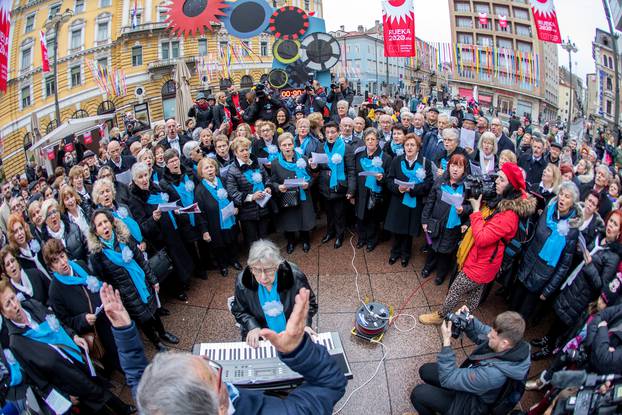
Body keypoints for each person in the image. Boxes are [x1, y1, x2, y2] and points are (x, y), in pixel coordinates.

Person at [137, 286, 345, 414]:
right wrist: (297, 350)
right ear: (220, 408)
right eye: (211, 374)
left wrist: (125, 333)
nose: (205, 358)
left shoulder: (156, 405)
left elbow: (136, 381)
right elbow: (331, 383)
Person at [419, 162, 537, 324]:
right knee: (475, 293)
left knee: (455, 290)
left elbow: (482, 238)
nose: (496, 182)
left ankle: (440, 316)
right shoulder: (503, 202)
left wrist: (475, 210)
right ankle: (465, 319)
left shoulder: (509, 215)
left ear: (511, 186)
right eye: (497, 178)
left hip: (482, 262)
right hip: (487, 260)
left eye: (501, 180)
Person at [0, 280, 134, 414]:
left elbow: (57, 322)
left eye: (13, 298)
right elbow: (38, 381)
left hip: (78, 359)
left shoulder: (32, 305)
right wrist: (64, 396)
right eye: (8, 304)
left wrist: (73, 336)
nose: (15, 305)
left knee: (101, 387)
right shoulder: (16, 344)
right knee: (98, 407)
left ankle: (124, 409)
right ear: (4, 314)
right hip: (69, 382)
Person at [531, 210, 622, 359]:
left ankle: (549, 349)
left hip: (582, 295)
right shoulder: (599, 237)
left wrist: (590, 265)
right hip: (574, 282)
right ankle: (546, 340)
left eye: (615, 224)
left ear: (619, 232)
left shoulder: (613, 257)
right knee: (558, 317)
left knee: (564, 323)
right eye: (610, 221)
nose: (610, 226)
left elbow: (602, 285)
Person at [87, 209, 178, 352]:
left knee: (154, 309)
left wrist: (153, 280)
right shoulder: (97, 256)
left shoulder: (124, 238)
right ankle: (156, 343)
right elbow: (104, 279)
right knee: (144, 319)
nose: (104, 226)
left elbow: (141, 260)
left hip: (141, 283)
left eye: (105, 222)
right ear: (95, 231)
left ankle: (163, 333)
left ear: (111, 223)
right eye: (99, 225)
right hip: (126, 294)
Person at [411, 308, 530, 415]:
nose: (488, 335)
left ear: (504, 343)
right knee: (425, 370)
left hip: (469, 406)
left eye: (492, 336)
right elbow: (483, 332)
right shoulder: (513, 344)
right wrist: (468, 320)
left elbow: (448, 378)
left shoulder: (493, 375)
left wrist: (446, 342)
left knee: (418, 394)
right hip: (473, 386)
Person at [43, 239, 121, 372]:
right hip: (97, 330)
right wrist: (83, 319)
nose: (62, 263)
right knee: (117, 359)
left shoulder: (80, 265)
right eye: (56, 261)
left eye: (62, 256)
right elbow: (65, 321)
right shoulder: (55, 291)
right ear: (51, 268)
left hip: (109, 315)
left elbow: (96, 282)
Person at [511, 182, 582, 321]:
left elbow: (564, 265)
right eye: (561, 194)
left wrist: (548, 289)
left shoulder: (572, 229)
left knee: (521, 316)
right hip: (527, 265)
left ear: (573, 202)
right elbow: (533, 236)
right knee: (513, 304)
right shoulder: (548, 210)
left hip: (542, 277)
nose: (562, 199)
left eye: (567, 197)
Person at [230, 239, 317, 346]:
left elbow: (310, 304)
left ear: (277, 266)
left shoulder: (295, 277)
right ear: (251, 268)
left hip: (292, 332)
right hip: (262, 336)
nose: (263, 277)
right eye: (257, 270)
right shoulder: (242, 282)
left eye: (268, 270)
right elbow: (239, 311)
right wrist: (253, 326)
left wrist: (305, 324)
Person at [127, 162, 194, 301]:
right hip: (159, 238)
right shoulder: (134, 199)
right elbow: (141, 227)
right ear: (134, 180)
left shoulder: (156, 187)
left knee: (179, 256)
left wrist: (174, 209)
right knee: (170, 263)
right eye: (140, 177)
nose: (144, 179)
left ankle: (185, 280)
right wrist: (153, 218)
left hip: (171, 228)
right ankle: (176, 289)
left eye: (146, 175)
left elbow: (167, 201)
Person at [421, 154, 472, 285]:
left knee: (446, 251)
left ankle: (441, 274)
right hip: (436, 222)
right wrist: (425, 220)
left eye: (459, 167)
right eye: (453, 165)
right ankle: (428, 267)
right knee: (432, 246)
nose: (455, 169)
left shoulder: (467, 187)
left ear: (464, 169)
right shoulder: (440, 180)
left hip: (453, 226)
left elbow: (472, 207)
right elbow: (430, 201)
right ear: (449, 166)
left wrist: (463, 209)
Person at [385, 133, 433, 267]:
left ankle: (406, 254)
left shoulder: (425, 163)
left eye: (413, 145)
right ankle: (395, 252)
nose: (409, 148)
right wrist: (398, 188)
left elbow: (428, 184)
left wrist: (412, 189)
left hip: (414, 201)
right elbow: (389, 180)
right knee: (397, 229)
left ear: (418, 147)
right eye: (407, 145)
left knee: (408, 232)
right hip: (398, 200)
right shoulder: (397, 160)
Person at [310, 122, 356, 249]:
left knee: (339, 213)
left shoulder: (346, 148)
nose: (330, 135)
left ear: (338, 132)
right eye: (328, 132)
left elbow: (351, 170)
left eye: (333, 132)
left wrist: (351, 190)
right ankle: (330, 232)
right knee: (329, 212)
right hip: (324, 185)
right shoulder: (320, 147)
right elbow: (317, 168)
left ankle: (340, 235)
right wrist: (313, 166)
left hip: (340, 184)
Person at [194, 157, 242, 276]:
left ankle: (234, 260)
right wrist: (204, 231)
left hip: (229, 218)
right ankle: (223, 265)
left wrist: (235, 206)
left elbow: (231, 195)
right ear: (201, 172)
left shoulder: (222, 180)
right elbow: (200, 213)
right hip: (214, 223)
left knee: (232, 240)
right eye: (206, 168)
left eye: (211, 167)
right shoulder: (199, 190)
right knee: (219, 245)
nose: (210, 170)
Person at [270, 133, 315, 254]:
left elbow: (311, 177)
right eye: (284, 145)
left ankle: (305, 239)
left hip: (303, 194)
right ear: (280, 147)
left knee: (304, 216)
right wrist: (278, 187)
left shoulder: (303, 159)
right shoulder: (275, 163)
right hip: (287, 196)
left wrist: (308, 184)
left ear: (293, 145)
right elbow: (272, 181)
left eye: (290, 144)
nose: (287, 147)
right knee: (289, 219)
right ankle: (290, 241)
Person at [226, 137, 273, 245]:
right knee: (252, 241)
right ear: (235, 153)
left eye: (247, 149)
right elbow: (233, 193)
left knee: (264, 237)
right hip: (247, 212)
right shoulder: (232, 170)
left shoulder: (256, 162)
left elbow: (267, 178)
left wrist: (268, 187)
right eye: (242, 150)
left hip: (263, 207)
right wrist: (252, 197)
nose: (245, 152)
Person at [354, 129, 392, 252]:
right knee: (360, 217)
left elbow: (389, 178)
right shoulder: (359, 156)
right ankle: (362, 238)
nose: (370, 142)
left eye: (373, 139)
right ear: (364, 141)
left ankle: (372, 240)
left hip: (376, 194)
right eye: (368, 139)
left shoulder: (386, 158)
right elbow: (355, 175)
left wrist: (381, 178)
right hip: (361, 192)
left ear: (377, 141)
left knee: (373, 219)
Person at [6, 213, 51, 279]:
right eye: (15, 232)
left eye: (20, 228)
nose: (20, 233)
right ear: (12, 236)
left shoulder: (35, 241)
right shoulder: (17, 257)